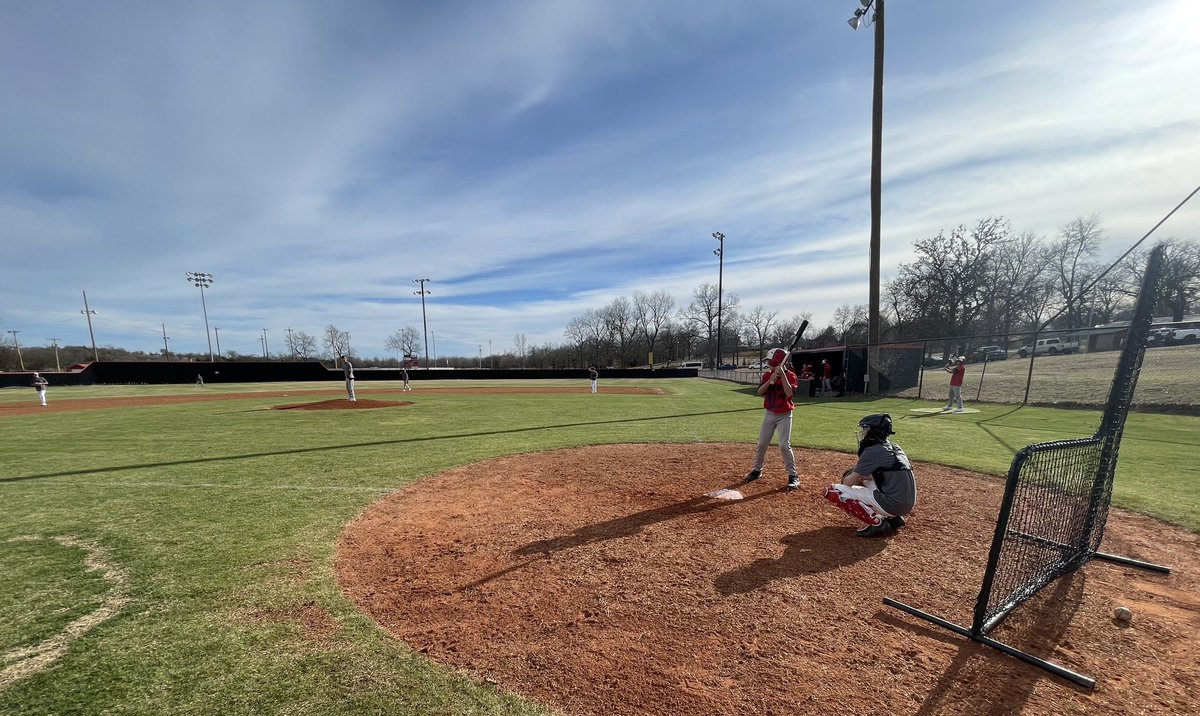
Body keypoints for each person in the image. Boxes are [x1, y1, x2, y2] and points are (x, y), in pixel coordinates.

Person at [822, 413, 917, 538]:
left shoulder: (873, 450)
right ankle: (893, 518)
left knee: (833, 491)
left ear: (873, 431)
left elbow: (847, 483)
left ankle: (877, 522)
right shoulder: (895, 447)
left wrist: (851, 475)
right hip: (906, 503)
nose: (863, 432)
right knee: (866, 479)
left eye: (865, 429)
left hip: (893, 504)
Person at [744, 347, 800, 491]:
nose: (768, 364)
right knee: (762, 443)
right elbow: (760, 392)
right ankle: (757, 470)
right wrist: (771, 380)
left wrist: (782, 376)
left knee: (783, 445)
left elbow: (789, 394)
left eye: (770, 361)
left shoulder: (791, 376)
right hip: (770, 413)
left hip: (785, 414)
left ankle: (793, 476)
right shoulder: (767, 375)